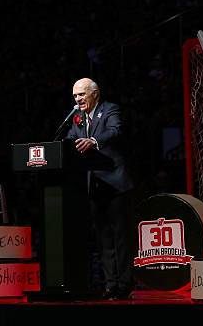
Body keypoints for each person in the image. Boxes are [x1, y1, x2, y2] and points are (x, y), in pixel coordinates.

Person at [66, 77, 134, 300]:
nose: (78, 99)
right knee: (103, 238)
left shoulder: (110, 110)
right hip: (94, 185)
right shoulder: (77, 117)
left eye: (82, 94)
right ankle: (110, 284)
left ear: (95, 93)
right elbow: (70, 140)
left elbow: (116, 131)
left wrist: (93, 141)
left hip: (115, 183)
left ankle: (124, 284)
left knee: (120, 237)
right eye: (75, 95)